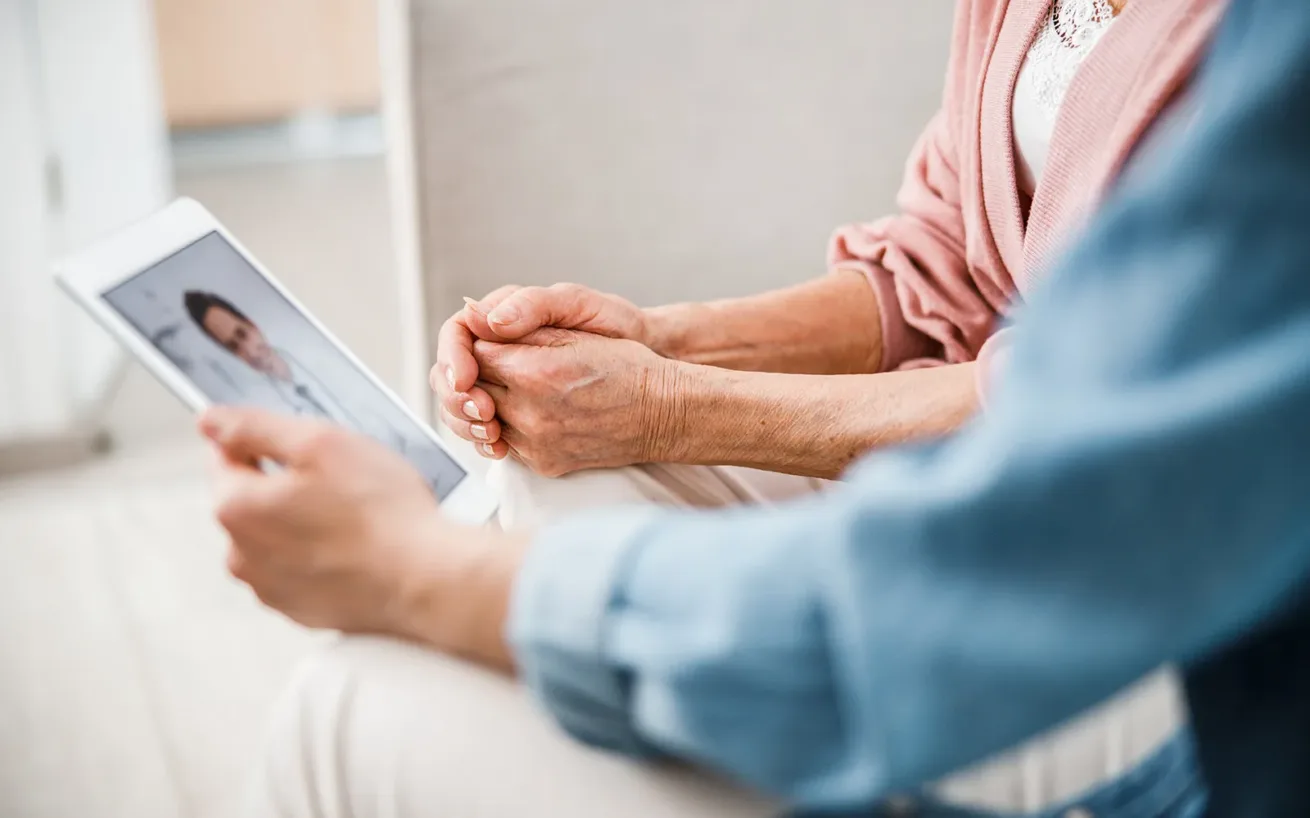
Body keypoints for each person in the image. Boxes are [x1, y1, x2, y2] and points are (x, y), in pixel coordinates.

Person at [202, 0, 1310, 814]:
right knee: (565, 457)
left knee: (337, 712)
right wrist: (663, 339)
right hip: (1059, 545)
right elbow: (946, 258)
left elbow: (1056, 437)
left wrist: (412, 567)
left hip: (1171, 677)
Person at [184, 290, 409, 453]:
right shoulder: (271, 414)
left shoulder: (320, 355)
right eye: (233, 346)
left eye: (242, 334)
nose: (249, 351)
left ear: (252, 324)